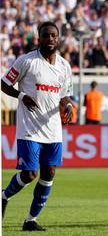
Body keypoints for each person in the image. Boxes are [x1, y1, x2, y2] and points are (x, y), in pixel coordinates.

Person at [1, 21, 73, 231]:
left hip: (53, 130)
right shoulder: (26, 61)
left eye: (53, 35)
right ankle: (3, 196)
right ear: (39, 38)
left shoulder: (64, 66)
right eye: (46, 35)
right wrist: (22, 95)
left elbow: (64, 95)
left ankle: (30, 220)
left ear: (58, 38)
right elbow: (4, 83)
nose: (50, 39)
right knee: (30, 174)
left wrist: (67, 105)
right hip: (30, 129)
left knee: (49, 172)